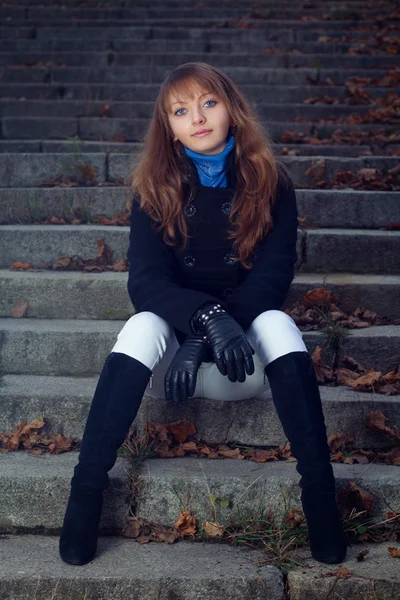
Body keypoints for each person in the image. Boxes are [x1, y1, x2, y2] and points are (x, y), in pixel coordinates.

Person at [59, 62, 347, 567]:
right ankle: (85, 493)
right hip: (170, 370)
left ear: (231, 109)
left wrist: (210, 332)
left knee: (278, 321)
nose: (197, 117)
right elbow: (145, 283)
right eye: (181, 109)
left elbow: (273, 279)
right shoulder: (152, 186)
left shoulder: (272, 182)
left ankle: (321, 496)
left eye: (208, 103)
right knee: (141, 323)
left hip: (242, 365)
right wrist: (200, 324)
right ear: (167, 127)